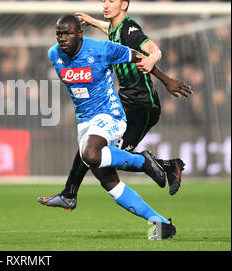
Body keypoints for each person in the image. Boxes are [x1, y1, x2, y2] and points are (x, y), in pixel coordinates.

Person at [39, 0, 192, 213]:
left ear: (125, 5)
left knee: (103, 155)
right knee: (94, 149)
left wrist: (162, 73)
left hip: (142, 105)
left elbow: (152, 49)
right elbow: (109, 32)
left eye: (111, 0)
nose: (105, 4)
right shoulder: (114, 28)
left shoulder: (130, 30)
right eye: (103, 0)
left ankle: (169, 166)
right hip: (125, 101)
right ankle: (70, 192)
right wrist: (91, 21)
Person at [40, 14, 176, 239]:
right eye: (59, 34)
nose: (62, 38)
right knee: (109, 183)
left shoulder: (102, 49)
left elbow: (140, 57)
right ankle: (162, 224)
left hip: (110, 115)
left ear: (80, 34)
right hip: (84, 121)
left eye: (67, 33)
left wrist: (165, 79)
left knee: (91, 154)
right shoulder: (54, 54)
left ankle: (144, 161)